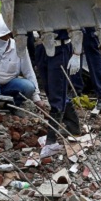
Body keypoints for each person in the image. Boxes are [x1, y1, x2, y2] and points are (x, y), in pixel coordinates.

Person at [0, 15, 44, 110]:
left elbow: (28, 71)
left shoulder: (19, 47)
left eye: (0, 36)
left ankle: (12, 105)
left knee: (28, 87)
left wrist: (36, 98)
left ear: (9, 33)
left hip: (10, 84)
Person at [35, 29, 82, 158]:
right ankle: (73, 126)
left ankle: (51, 140)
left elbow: (77, 27)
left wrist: (77, 53)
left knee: (57, 95)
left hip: (59, 47)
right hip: (42, 46)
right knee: (53, 92)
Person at [68, 28, 101, 111]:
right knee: (73, 47)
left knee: (91, 48)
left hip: (87, 18)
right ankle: (75, 89)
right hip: (73, 18)